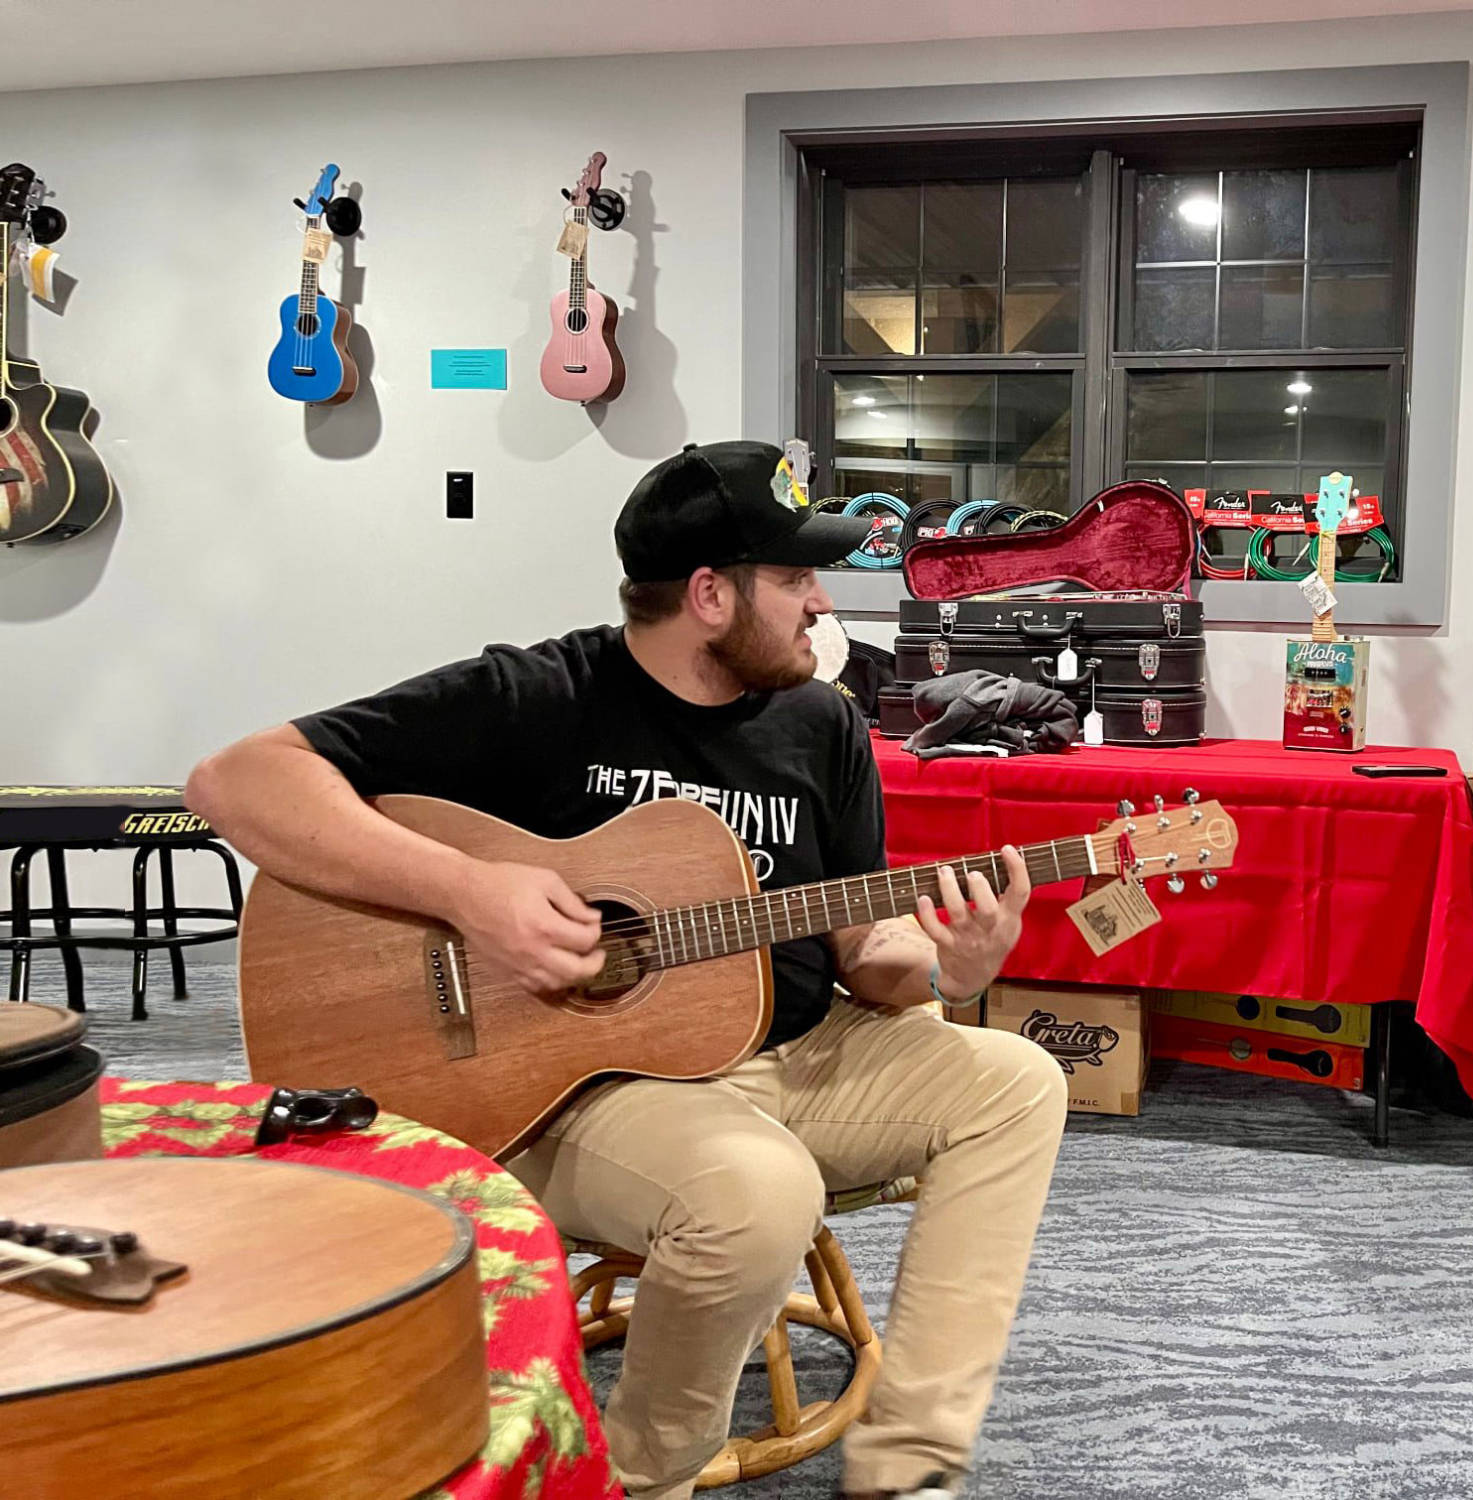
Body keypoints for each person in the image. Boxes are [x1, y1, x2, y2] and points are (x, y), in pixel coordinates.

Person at [187, 441, 1069, 1500]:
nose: (820, 602)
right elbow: (235, 782)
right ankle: (642, 1478)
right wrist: (473, 895)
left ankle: (912, 1458)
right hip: (585, 1087)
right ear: (708, 593)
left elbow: (862, 952)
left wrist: (947, 966)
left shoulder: (819, 721)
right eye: (793, 578)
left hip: (794, 1053)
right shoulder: (538, 694)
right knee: (757, 1194)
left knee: (1019, 1080)